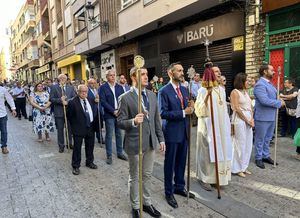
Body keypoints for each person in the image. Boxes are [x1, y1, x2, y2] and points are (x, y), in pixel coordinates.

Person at [117, 67, 165, 218]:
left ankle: (147, 202)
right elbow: (120, 121)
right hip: (134, 143)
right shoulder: (125, 97)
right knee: (135, 176)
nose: (146, 77)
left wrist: (161, 138)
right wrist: (133, 121)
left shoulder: (152, 95)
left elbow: (156, 120)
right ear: (133, 77)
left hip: (150, 143)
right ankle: (136, 206)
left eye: (146, 74)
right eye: (142, 74)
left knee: (147, 175)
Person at [158, 62, 195, 209]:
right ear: (170, 73)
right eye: (179, 70)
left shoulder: (185, 90)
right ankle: (168, 192)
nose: (182, 73)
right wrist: (183, 112)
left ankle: (179, 186)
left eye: (182, 70)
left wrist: (192, 106)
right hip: (172, 133)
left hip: (184, 132)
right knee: (170, 163)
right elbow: (163, 113)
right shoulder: (164, 91)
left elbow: (189, 105)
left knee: (181, 162)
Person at [194, 65, 232, 191]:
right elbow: (198, 110)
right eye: (216, 72)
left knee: (220, 150)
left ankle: (218, 178)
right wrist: (206, 96)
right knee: (207, 152)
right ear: (210, 74)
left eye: (220, 72)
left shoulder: (221, 89)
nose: (219, 73)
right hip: (208, 125)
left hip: (221, 126)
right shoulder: (202, 90)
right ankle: (204, 178)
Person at [253, 64, 285, 169]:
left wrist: (279, 99)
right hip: (262, 117)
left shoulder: (270, 84)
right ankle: (258, 157)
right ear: (265, 72)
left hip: (271, 116)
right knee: (260, 138)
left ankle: (265, 155)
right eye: (272, 70)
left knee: (268, 138)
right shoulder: (260, 85)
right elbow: (264, 100)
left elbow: (273, 97)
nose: (274, 72)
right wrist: (279, 103)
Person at [67, 85, 98, 175]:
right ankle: (76, 166)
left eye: (86, 91)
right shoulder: (72, 102)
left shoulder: (91, 100)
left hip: (90, 127)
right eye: (82, 91)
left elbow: (94, 112)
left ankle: (89, 162)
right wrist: (75, 127)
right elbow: (69, 116)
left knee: (90, 146)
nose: (84, 93)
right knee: (77, 148)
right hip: (78, 128)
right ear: (78, 92)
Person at [99, 69, 127, 164]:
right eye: (110, 75)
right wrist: (112, 111)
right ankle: (109, 155)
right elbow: (103, 101)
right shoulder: (103, 88)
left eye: (114, 75)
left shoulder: (119, 87)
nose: (113, 77)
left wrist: (119, 111)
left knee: (120, 134)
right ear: (107, 77)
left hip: (119, 114)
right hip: (109, 115)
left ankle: (120, 152)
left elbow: (123, 100)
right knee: (109, 135)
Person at [230, 73, 254, 178]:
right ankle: (237, 168)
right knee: (240, 144)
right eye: (247, 80)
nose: (248, 82)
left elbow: (250, 107)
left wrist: (252, 119)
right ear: (241, 81)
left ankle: (244, 166)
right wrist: (246, 120)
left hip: (248, 119)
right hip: (239, 120)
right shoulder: (235, 92)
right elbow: (236, 108)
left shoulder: (246, 92)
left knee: (248, 143)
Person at [50, 73, 77, 153]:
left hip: (69, 112)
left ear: (66, 79)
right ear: (58, 79)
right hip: (59, 112)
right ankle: (61, 145)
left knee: (69, 129)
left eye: (64, 78)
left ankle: (69, 143)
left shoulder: (71, 87)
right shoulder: (54, 87)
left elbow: (74, 97)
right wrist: (60, 100)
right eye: (61, 78)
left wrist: (67, 101)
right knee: (60, 130)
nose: (62, 79)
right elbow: (51, 99)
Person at [0, 86, 17, 154]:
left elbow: (9, 99)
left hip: (2, 114)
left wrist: (13, 109)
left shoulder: (3, 89)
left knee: (4, 131)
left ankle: (4, 146)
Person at [88, 78, 104, 144]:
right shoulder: (87, 91)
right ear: (88, 84)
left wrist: (99, 99)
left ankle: (100, 138)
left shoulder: (97, 90)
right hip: (91, 111)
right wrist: (94, 101)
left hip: (98, 110)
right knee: (91, 126)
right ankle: (91, 139)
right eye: (91, 83)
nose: (93, 84)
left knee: (99, 125)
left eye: (94, 83)